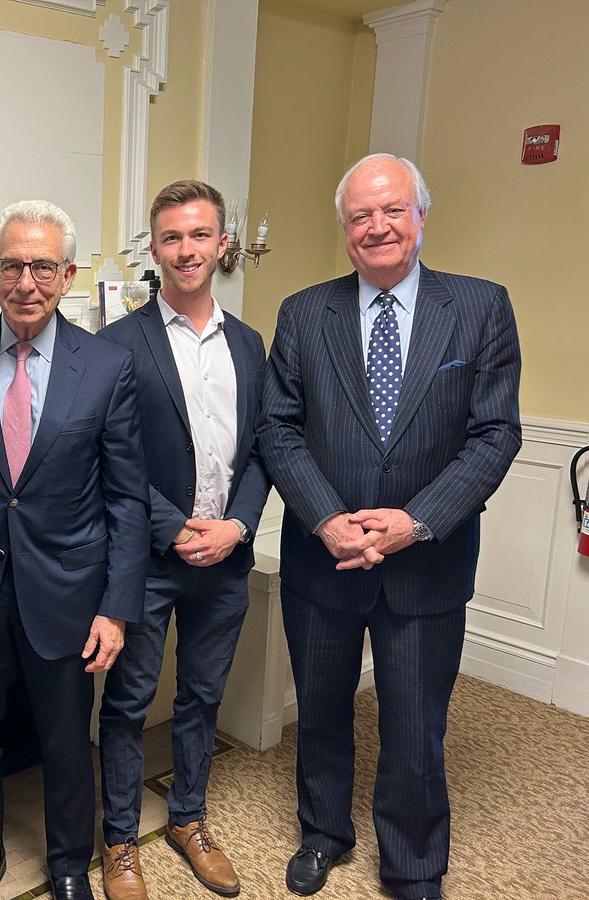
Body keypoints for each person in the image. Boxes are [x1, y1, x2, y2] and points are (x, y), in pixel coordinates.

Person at [258, 153, 522, 900]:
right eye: (360, 215)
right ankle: (324, 832)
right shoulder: (305, 313)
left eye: (392, 211)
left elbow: (495, 434)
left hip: (426, 565)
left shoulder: (478, 306)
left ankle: (412, 863)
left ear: (420, 217)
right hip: (324, 562)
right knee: (323, 713)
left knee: (414, 728)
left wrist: (418, 521)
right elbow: (279, 430)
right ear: (344, 229)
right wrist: (327, 520)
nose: (377, 227)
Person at [0, 200, 149, 900]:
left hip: (67, 591)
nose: (25, 282)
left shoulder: (108, 366)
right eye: (11, 265)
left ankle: (68, 865)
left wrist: (117, 608)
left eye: (41, 267)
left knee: (65, 742)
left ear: (66, 276)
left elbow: (127, 498)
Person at [96, 180, 271, 899]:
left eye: (200, 235)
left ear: (223, 242)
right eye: (172, 237)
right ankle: (117, 840)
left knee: (203, 698)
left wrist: (237, 525)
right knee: (129, 702)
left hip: (226, 557)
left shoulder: (251, 344)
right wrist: (174, 528)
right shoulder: (116, 345)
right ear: (154, 248)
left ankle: (188, 818)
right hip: (148, 558)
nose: (187, 250)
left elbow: (266, 448)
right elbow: (115, 456)